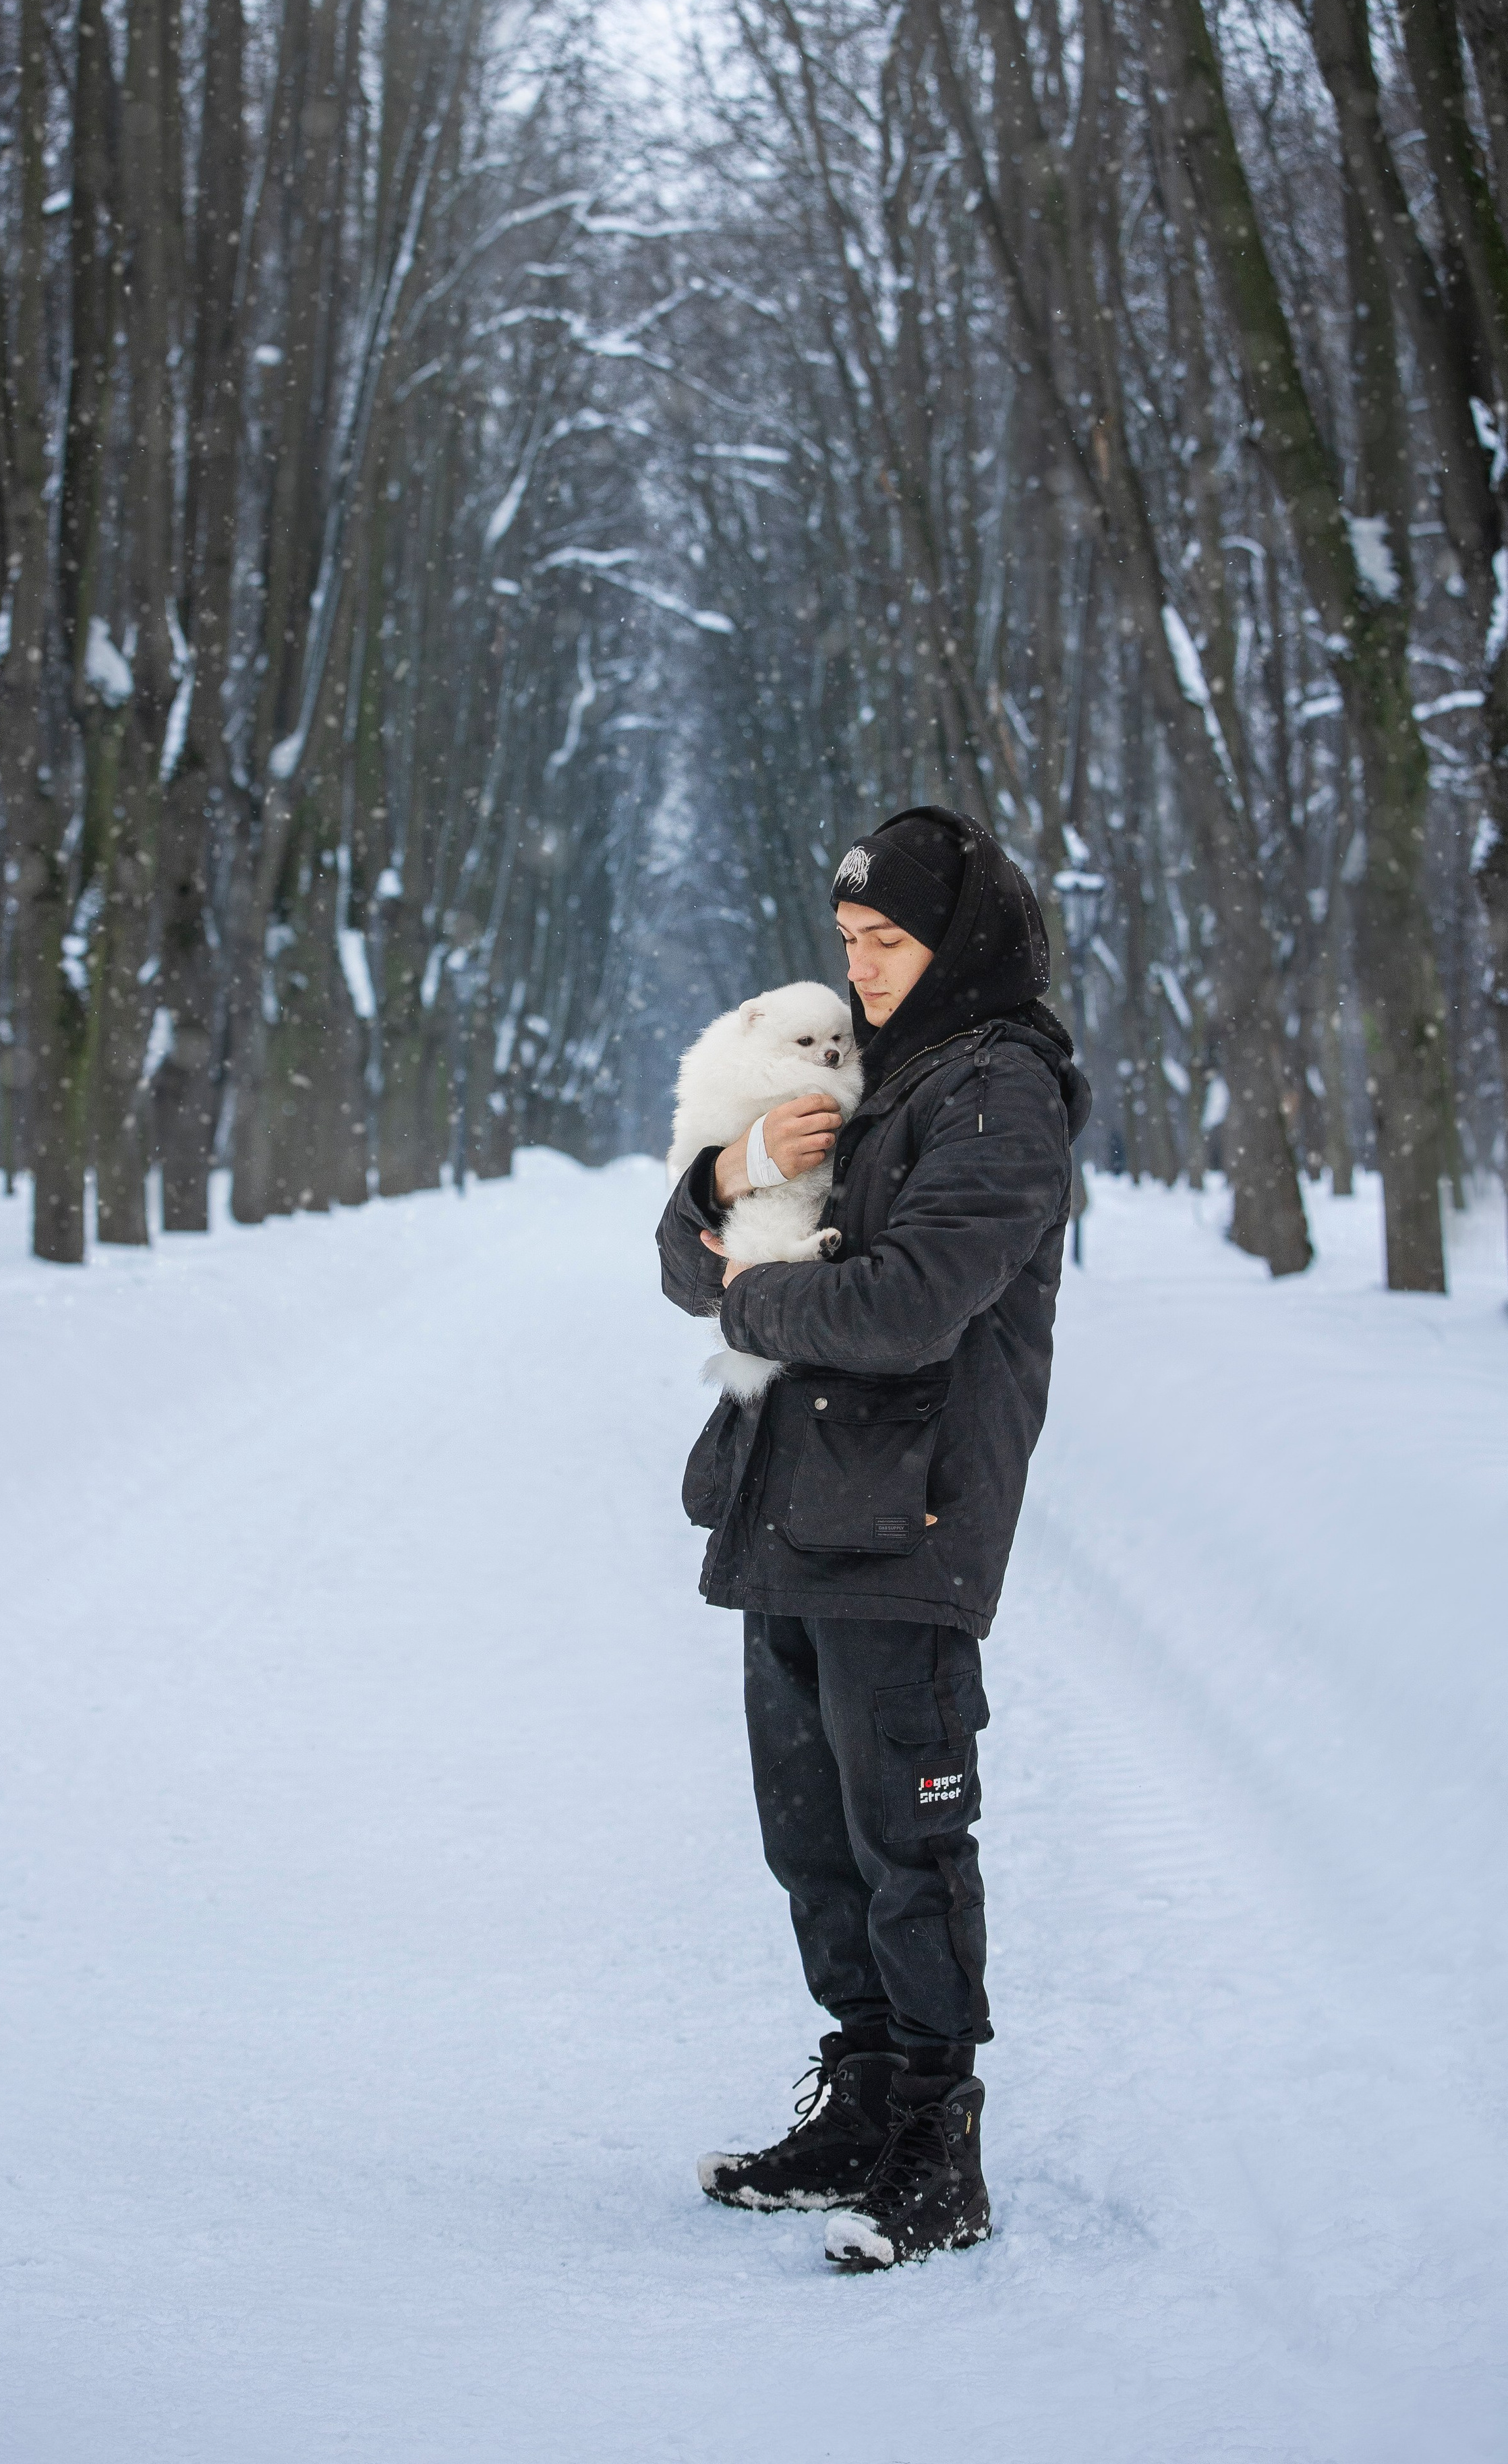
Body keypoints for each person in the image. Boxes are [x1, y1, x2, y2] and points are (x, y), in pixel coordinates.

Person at [656, 804, 1090, 2270]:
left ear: (957, 938)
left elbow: (905, 1306)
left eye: (888, 942)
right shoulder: (868, 1074)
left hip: (908, 1521)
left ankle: (933, 2149)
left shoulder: (1000, 1092)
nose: (863, 972)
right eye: (847, 945)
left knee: (906, 1840)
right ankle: (856, 2101)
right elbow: (686, 1257)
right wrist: (726, 1182)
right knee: (814, 1845)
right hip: (789, 1503)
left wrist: (747, 1296)